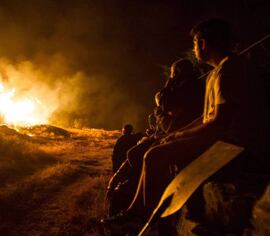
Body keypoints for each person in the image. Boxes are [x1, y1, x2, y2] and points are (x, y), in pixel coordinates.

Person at [103, 18, 267, 233]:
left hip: (232, 144)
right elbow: (206, 116)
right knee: (153, 151)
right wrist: (178, 133)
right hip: (219, 137)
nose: (194, 48)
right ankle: (136, 211)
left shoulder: (230, 69)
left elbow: (220, 121)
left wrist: (182, 137)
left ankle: (139, 216)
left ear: (204, 43)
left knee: (154, 157)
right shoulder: (216, 73)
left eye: (196, 43)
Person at [105, 58, 205, 221]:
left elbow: (169, 116)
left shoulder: (188, 88)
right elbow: (169, 111)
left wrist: (161, 109)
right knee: (135, 154)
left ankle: (141, 214)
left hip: (180, 138)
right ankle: (132, 207)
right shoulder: (190, 88)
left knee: (144, 155)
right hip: (172, 134)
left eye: (173, 74)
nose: (171, 77)